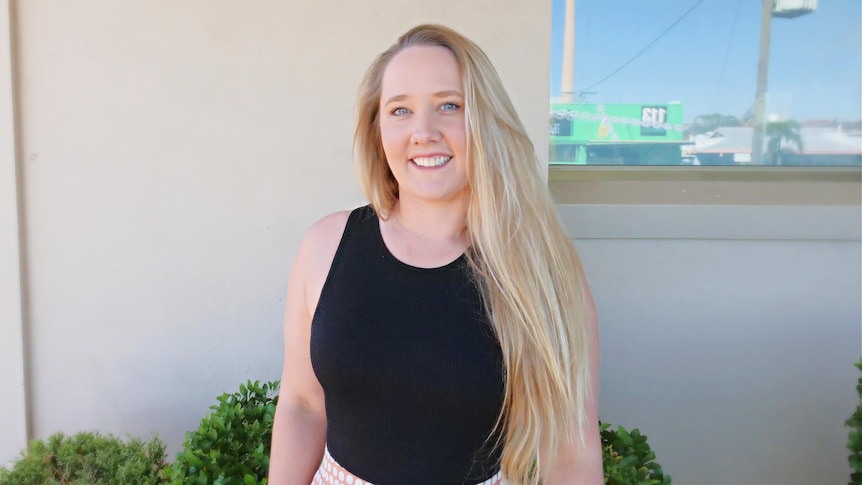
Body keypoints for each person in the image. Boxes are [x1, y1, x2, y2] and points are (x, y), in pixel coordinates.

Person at [268, 24, 601, 485]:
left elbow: (572, 453)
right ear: (378, 130)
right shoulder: (325, 246)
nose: (423, 132)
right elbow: (302, 406)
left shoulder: (543, 273)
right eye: (400, 110)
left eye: (449, 106)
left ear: (484, 120)